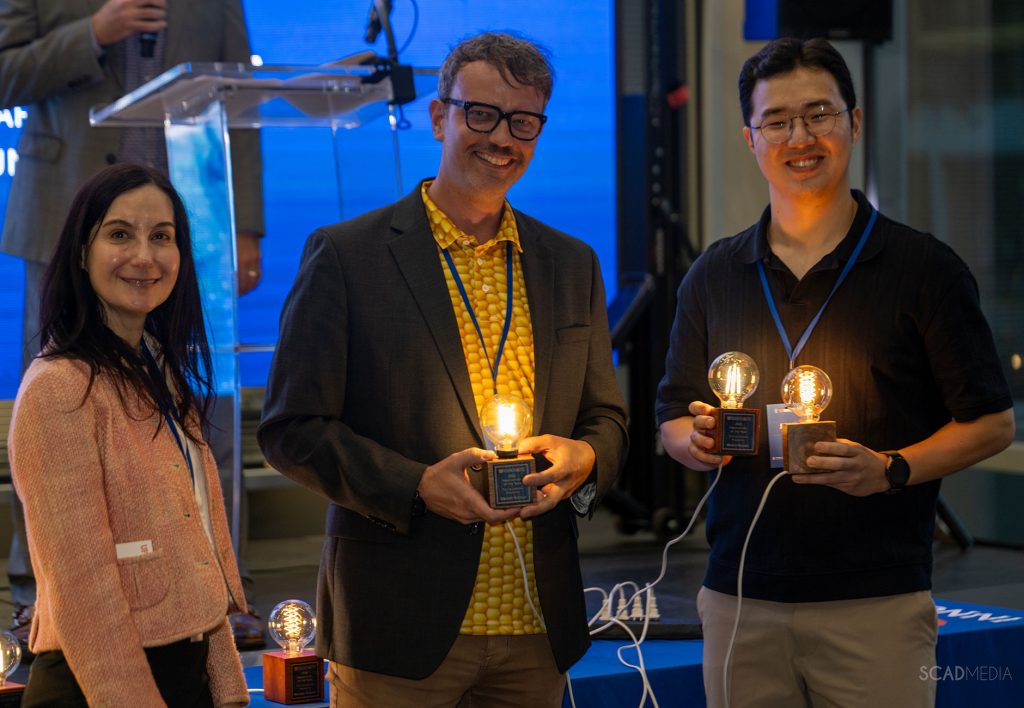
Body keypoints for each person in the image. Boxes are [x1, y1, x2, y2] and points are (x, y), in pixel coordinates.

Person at [258, 32, 628, 706]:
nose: (502, 138)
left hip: (535, 625)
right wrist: (416, 486)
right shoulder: (347, 257)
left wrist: (584, 456)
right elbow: (292, 429)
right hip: (398, 627)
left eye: (523, 121)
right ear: (439, 117)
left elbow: (607, 418)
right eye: (481, 114)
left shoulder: (571, 265)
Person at [656, 37, 1015, 708]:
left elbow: (993, 423)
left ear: (853, 123)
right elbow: (672, 416)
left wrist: (891, 468)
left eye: (820, 113)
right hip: (740, 601)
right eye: (778, 120)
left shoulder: (923, 269)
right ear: (749, 137)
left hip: (875, 601)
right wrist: (695, 442)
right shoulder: (715, 273)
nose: (801, 136)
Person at [0, 0, 266, 649]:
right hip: (70, 219)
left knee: (204, 409)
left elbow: (239, 99)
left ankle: (218, 588)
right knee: (65, 403)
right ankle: (45, 595)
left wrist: (246, 223)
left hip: (190, 226)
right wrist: (93, 32)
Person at [8, 163, 249, 706]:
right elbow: (82, 593)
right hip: (101, 684)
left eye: (161, 237)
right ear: (80, 253)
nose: (145, 256)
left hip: (183, 675)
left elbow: (196, 557)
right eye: (120, 234)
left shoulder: (161, 372)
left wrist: (227, 686)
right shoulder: (58, 388)